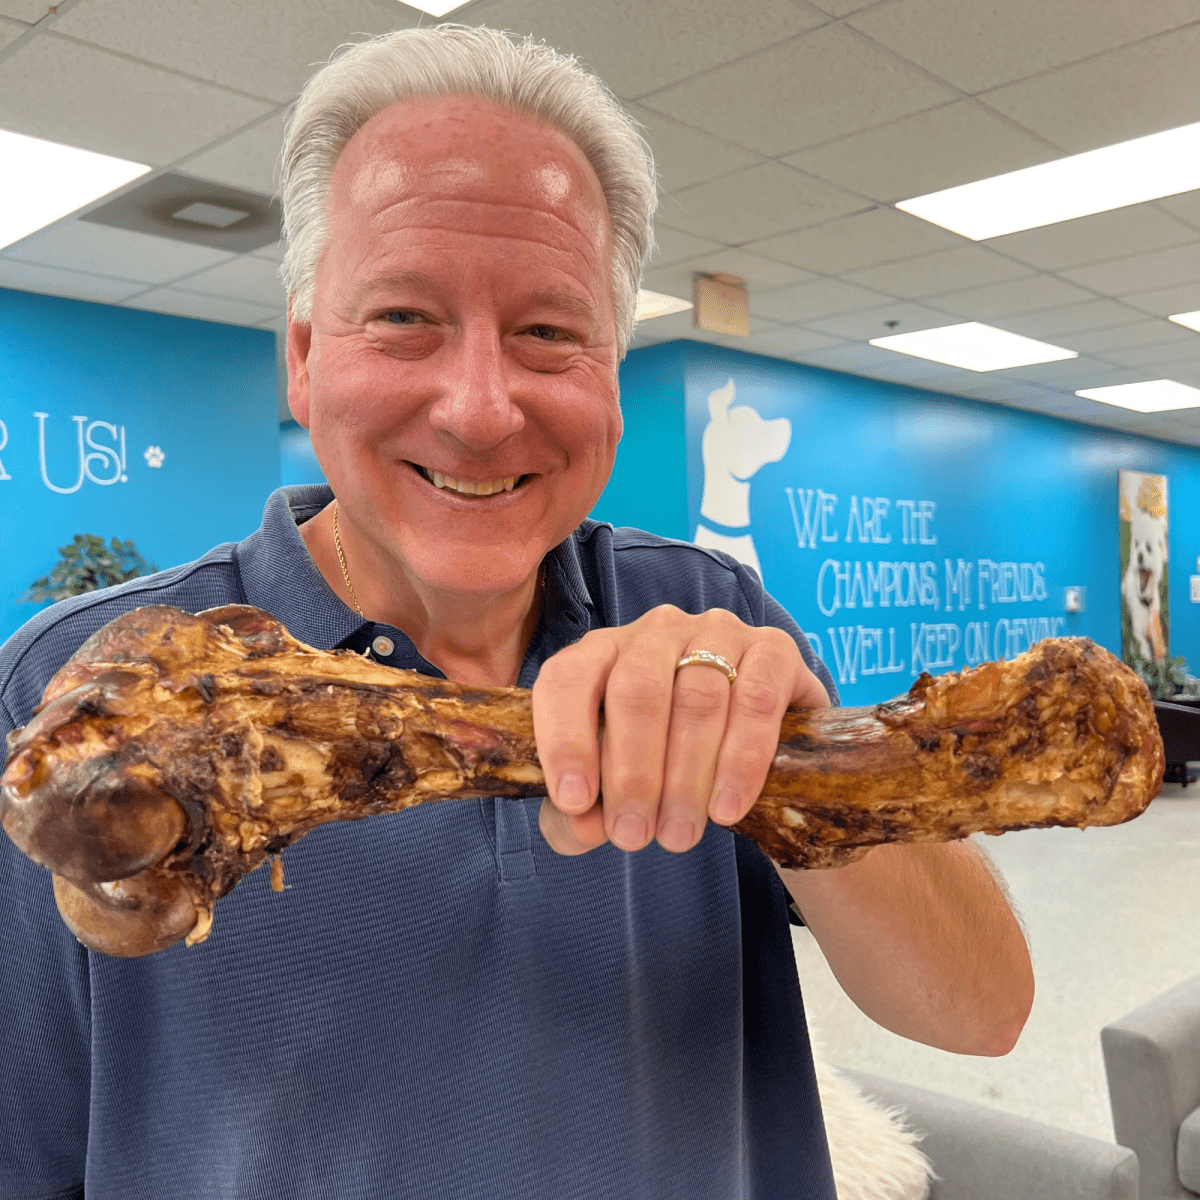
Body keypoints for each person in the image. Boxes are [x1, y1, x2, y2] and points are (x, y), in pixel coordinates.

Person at [0, 26, 1033, 1200]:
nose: (483, 410)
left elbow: (982, 1012)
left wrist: (794, 782)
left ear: (610, 374)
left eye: (549, 331)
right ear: (300, 359)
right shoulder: (64, 705)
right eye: (402, 318)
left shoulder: (709, 615)